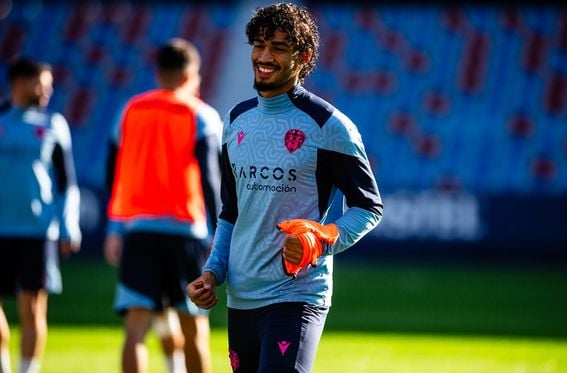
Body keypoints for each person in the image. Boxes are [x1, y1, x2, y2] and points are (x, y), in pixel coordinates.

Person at [186, 3, 384, 372]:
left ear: (303, 56)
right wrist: (213, 272)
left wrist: (321, 237)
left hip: (298, 292)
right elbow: (232, 210)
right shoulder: (235, 119)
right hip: (241, 296)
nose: (263, 56)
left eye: (278, 47)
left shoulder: (330, 126)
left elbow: (369, 206)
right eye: (259, 45)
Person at [104, 38, 222, 373]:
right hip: (187, 233)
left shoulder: (130, 111)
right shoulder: (201, 115)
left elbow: (112, 174)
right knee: (195, 330)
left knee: (135, 333)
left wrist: (114, 227)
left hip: (138, 230)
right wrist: (219, 234)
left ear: (158, 73)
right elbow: (210, 179)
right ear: (191, 75)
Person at [0, 57, 81, 373]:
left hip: (39, 231)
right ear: (20, 82)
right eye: (41, 84)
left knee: (33, 307)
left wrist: (68, 224)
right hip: (1, 230)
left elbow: (67, 181)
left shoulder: (53, 125)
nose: (47, 91)